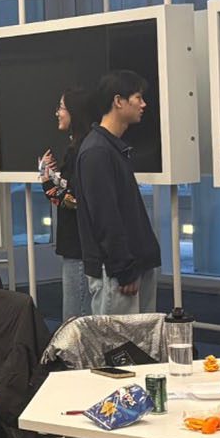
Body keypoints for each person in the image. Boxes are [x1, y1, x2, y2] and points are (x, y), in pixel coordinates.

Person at [74, 70, 161, 316]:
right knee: (117, 351)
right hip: (118, 274)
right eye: (138, 97)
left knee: (141, 351)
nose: (144, 104)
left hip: (134, 266)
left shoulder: (112, 148)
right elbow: (105, 218)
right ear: (118, 101)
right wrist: (123, 269)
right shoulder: (97, 152)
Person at [39, 88, 93, 323]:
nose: (57, 113)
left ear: (75, 112)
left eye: (62, 107)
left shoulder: (82, 149)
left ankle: (78, 362)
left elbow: (75, 200)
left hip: (79, 245)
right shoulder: (82, 146)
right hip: (78, 243)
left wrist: (47, 180)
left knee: (75, 320)